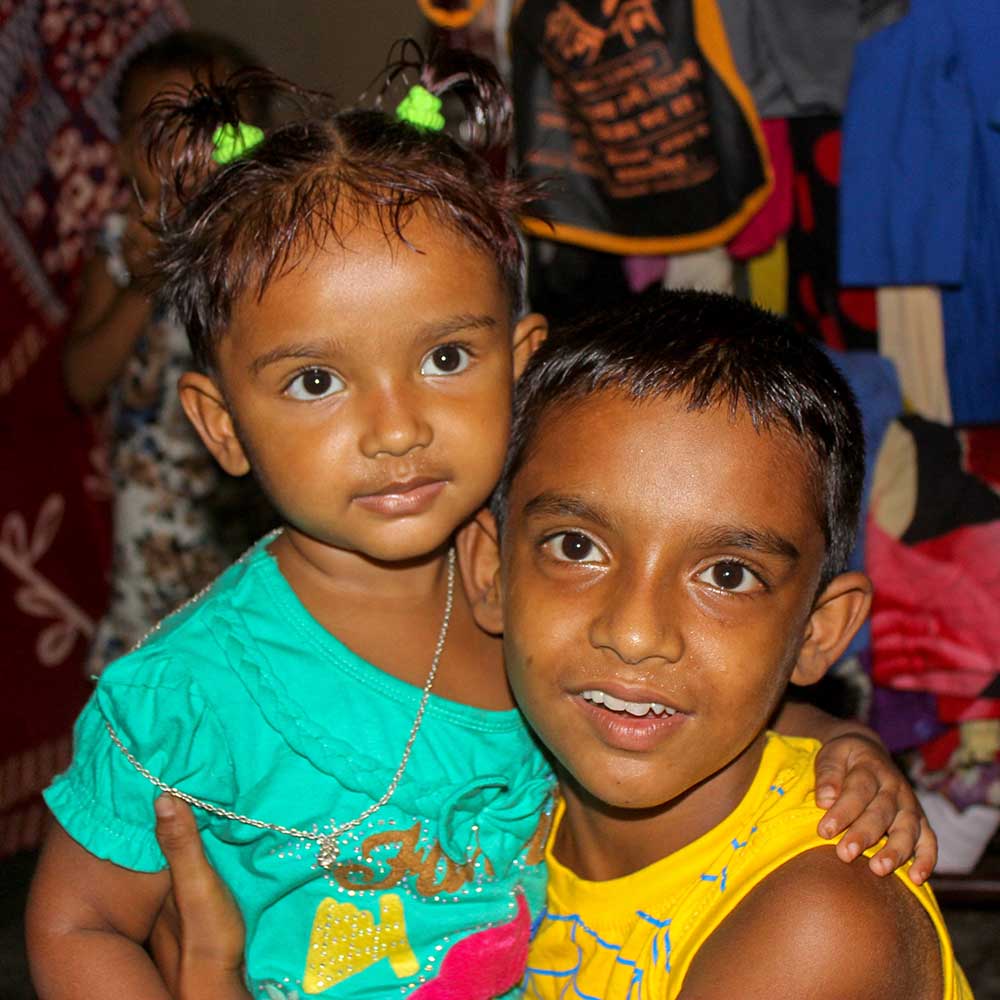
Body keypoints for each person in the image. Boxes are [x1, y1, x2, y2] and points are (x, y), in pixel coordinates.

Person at [28, 49, 935, 1000]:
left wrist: (843, 745)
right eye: (316, 381)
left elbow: (696, 696)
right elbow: (78, 920)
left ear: (521, 362)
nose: (396, 427)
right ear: (222, 425)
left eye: (448, 356)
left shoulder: (546, 585)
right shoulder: (187, 694)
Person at [464, 290, 970, 998]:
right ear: (490, 571)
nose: (635, 633)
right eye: (577, 546)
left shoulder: (819, 923)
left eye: (727, 575)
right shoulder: (482, 781)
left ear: (817, 633)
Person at [62, 31, 269, 673]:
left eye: (207, 126)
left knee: (251, 659)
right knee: (152, 678)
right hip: (152, 526)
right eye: (159, 129)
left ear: (252, 141)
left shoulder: (268, 243)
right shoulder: (121, 249)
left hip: (247, 504)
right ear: (125, 149)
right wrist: (142, 286)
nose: (185, 150)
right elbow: (81, 381)